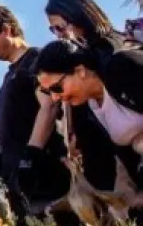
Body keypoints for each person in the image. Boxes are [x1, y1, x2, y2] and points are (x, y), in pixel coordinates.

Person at [0, 0, 71, 223]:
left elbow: (49, 106)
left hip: (44, 176)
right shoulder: (10, 74)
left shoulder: (36, 61)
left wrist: (31, 156)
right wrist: (3, 158)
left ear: (5, 29)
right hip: (20, 183)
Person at [33, 38, 143, 179]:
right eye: (48, 92)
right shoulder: (86, 109)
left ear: (80, 71)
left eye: (56, 88)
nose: (55, 97)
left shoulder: (122, 68)